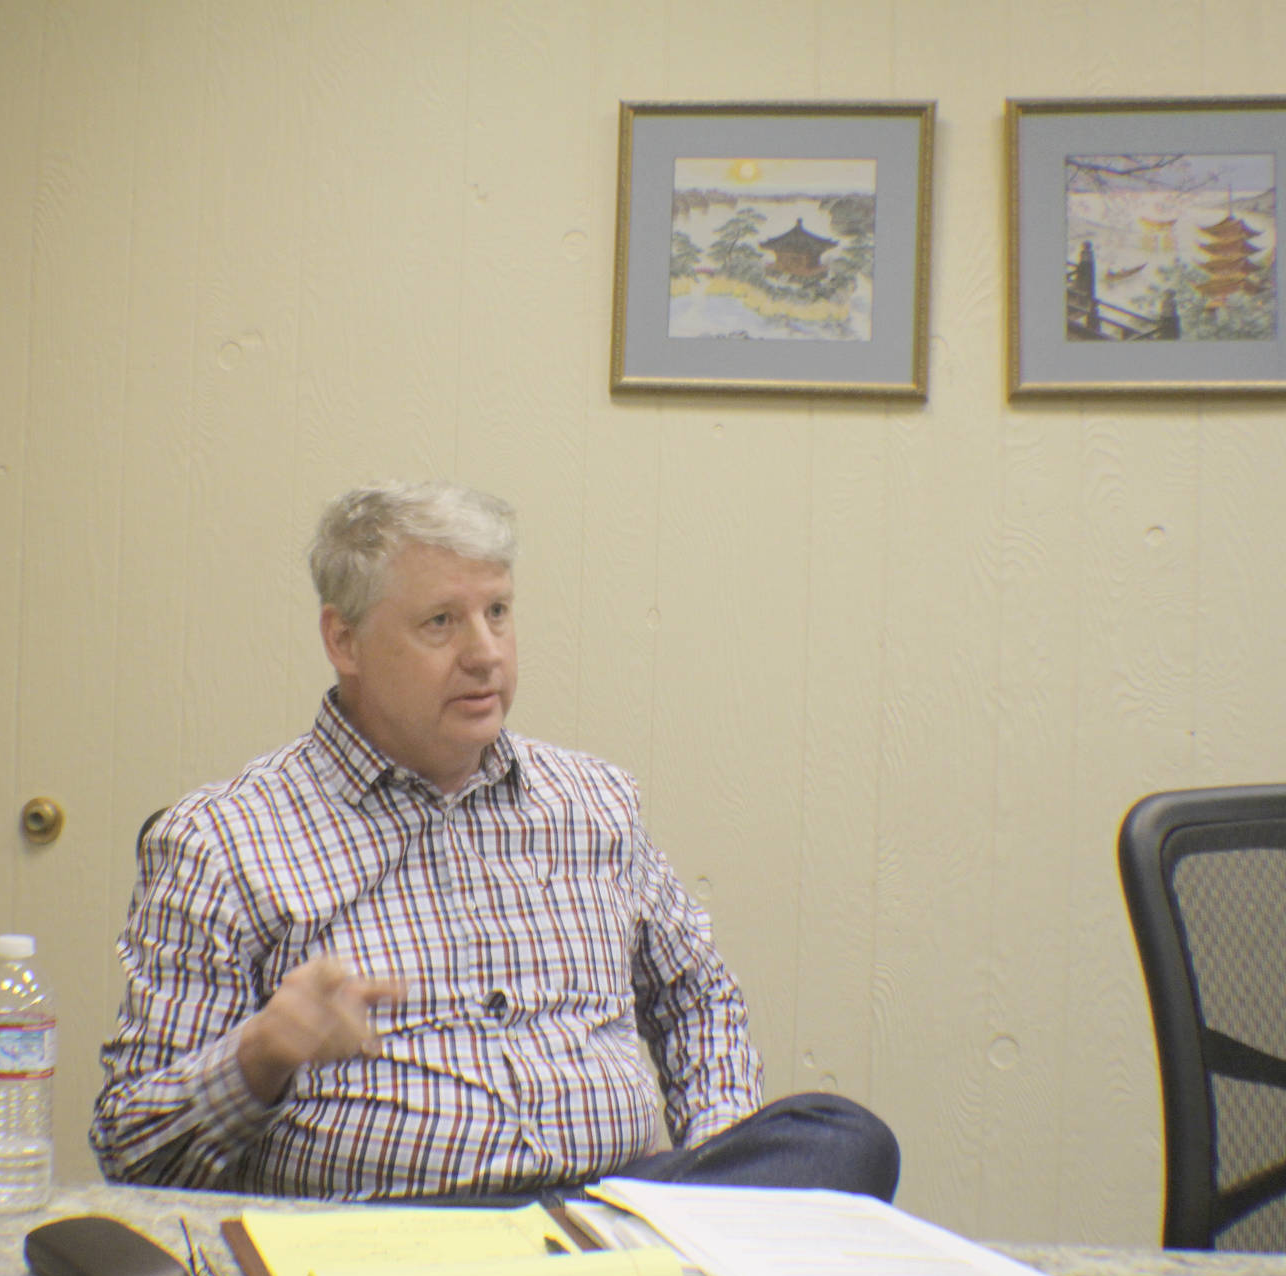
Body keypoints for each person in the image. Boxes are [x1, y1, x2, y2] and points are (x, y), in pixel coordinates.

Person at [91, 480, 897, 1201]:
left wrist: (715, 1166)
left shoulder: (593, 802)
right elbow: (133, 1148)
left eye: (498, 612)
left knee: (844, 1137)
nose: (484, 653)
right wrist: (260, 1052)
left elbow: (697, 996)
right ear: (344, 641)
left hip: (614, 1209)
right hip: (394, 1228)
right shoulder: (223, 840)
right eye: (441, 622)